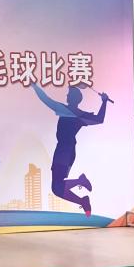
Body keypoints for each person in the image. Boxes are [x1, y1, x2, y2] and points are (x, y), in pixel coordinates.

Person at [31, 83, 110, 216]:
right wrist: (104, 102)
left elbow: (45, 99)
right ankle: (83, 198)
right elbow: (99, 119)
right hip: (68, 151)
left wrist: (34, 86)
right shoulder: (80, 115)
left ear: (72, 98)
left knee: (57, 187)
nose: (66, 96)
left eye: (68, 94)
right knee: (58, 187)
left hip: (63, 151)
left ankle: (81, 185)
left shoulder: (63, 109)